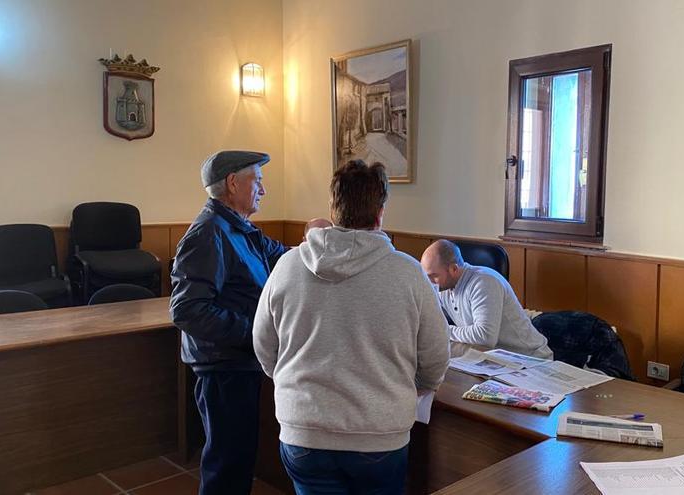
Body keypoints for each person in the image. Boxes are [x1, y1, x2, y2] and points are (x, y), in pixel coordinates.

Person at [252, 160, 449, 494]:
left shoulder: (287, 266)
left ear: (334, 209)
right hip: (379, 437)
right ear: (380, 213)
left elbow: (262, 344)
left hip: (304, 431)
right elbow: (435, 355)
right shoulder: (409, 273)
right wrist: (420, 385)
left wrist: (292, 380)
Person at [170, 150, 288, 495]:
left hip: (241, 361)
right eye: (258, 181)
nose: (263, 190)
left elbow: (283, 255)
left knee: (238, 459)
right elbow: (187, 310)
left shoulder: (240, 228)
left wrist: (326, 244)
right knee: (227, 464)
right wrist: (254, 332)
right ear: (233, 183)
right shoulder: (208, 233)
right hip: (223, 367)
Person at [421, 239, 553, 359]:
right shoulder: (444, 286)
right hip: (494, 357)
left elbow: (484, 336)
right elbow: (430, 319)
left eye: (433, 276)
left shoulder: (484, 282)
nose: (430, 282)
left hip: (528, 358)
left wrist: (442, 329)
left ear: (454, 269)